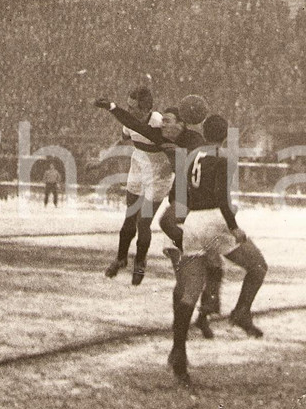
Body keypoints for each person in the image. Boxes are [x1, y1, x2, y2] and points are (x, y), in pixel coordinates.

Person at [94, 98, 221, 339]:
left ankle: (202, 315)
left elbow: (209, 164)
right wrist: (112, 107)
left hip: (199, 206)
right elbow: (135, 124)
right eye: (162, 122)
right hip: (180, 204)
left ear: (182, 124)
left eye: (168, 122)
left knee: (201, 264)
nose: (163, 126)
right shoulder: (161, 136)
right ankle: (183, 328)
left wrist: (184, 155)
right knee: (183, 275)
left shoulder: (194, 141)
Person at [168, 115, 267, 385]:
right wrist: (233, 227)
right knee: (258, 267)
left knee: (189, 292)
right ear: (225, 136)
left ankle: (178, 351)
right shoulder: (223, 157)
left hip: (193, 221)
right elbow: (223, 198)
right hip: (214, 219)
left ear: (203, 131)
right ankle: (241, 312)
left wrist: (181, 221)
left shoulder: (190, 157)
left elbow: (179, 193)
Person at [101, 87, 174, 286]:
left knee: (144, 222)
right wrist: (102, 158)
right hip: (138, 168)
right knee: (129, 217)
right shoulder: (129, 122)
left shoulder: (159, 123)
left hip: (159, 176)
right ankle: (121, 258)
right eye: (128, 107)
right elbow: (122, 139)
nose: (129, 112)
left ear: (147, 108)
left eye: (134, 109)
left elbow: (174, 146)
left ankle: (140, 263)